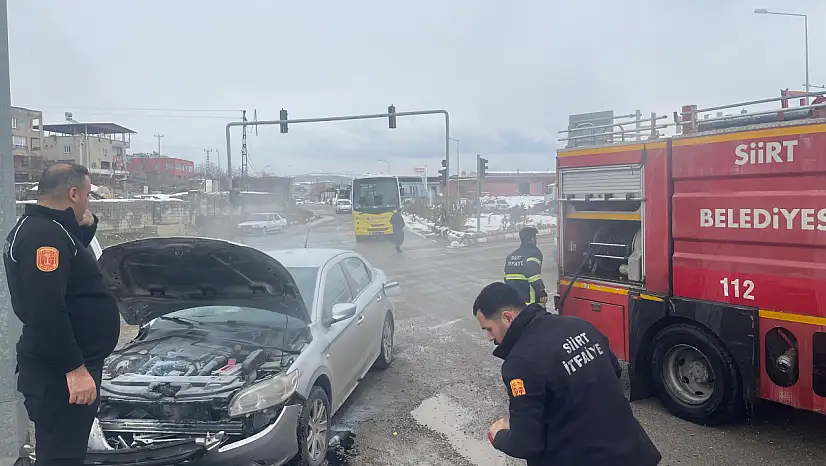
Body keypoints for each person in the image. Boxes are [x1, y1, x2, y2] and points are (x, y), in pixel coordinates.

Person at [4, 164, 122, 466]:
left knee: (65, 452)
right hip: (60, 376)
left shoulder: (48, 229)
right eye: (86, 195)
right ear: (73, 193)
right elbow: (47, 308)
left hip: (61, 370)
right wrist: (75, 370)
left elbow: (72, 260)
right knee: (60, 457)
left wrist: (86, 223)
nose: (88, 202)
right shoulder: (43, 237)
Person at [473, 282, 662, 466]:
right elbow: (613, 371)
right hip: (632, 452)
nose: (490, 337)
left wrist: (500, 436)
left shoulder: (520, 363)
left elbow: (526, 443)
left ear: (507, 317)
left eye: (489, 329)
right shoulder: (579, 326)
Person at [504, 226, 547, 305]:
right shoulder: (533, 253)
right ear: (532, 239)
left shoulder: (511, 256)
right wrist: (541, 290)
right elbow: (532, 274)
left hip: (515, 302)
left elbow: (506, 278)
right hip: (531, 302)